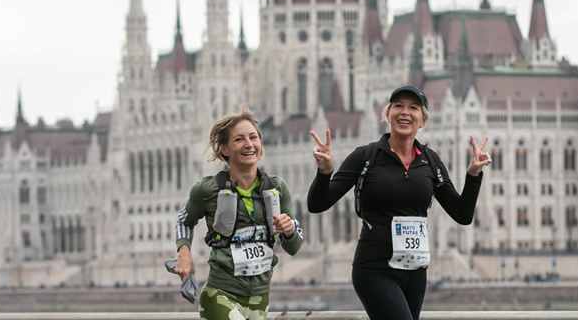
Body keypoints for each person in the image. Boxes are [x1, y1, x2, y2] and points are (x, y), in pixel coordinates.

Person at [307, 85, 490, 320]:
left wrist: (473, 176)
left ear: (422, 120)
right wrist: (324, 173)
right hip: (374, 269)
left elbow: (462, 214)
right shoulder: (365, 156)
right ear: (387, 114)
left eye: (413, 107)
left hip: (415, 271)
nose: (405, 112)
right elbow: (318, 204)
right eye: (398, 106)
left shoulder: (431, 161)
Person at [173, 106, 303, 320]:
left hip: (260, 299)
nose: (249, 144)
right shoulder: (207, 189)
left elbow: (294, 247)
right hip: (220, 294)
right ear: (224, 149)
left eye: (253, 137)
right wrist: (184, 253)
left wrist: (289, 231)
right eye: (239, 139)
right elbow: (183, 221)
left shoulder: (277, 189)